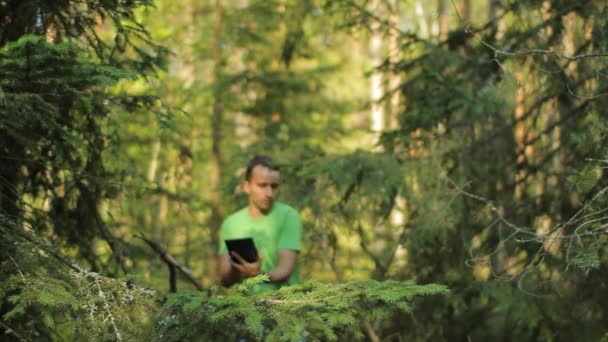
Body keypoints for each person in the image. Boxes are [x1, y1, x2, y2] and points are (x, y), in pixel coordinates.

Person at [218, 155, 302, 293]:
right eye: (262, 185)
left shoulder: (289, 216)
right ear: (246, 186)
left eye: (274, 186)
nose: (269, 193)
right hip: (242, 308)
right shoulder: (231, 223)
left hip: (284, 306)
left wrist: (257, 274)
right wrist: (237, 267)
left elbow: (284, 270)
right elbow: (225, 279)